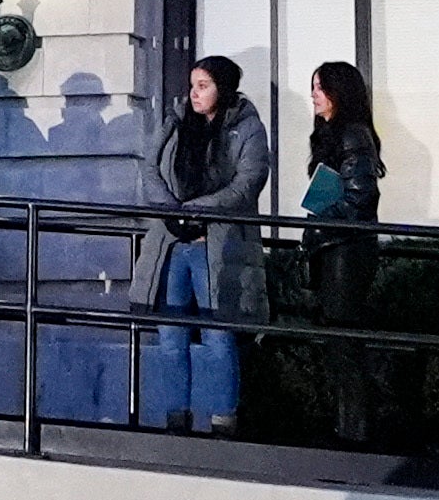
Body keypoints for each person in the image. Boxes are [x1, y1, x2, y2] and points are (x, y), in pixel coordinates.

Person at [142, 55, 277, 435]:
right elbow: (148, 166)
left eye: (203, 86)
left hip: (215, 245)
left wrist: (194, 210)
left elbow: (248, 182)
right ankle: (175, 417)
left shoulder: (247, 128)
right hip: (171, 243)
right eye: (192, 86)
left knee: (220, 335)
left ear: (224, 88)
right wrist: (171, 210)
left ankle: (223, 419)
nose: (194, 94)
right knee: (171, 335)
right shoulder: (175, 121)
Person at [295, 57, 393, 448]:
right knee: (339, 342)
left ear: (340, 93)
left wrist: (319, 220)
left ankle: (354, 431)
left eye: (321, 87)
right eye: (313, 87)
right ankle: (348, 426)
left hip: (345, 251)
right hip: (335, 247)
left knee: (345, 342)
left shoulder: (351, 135)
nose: (314, 95)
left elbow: (360, 197)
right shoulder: (335, 134)